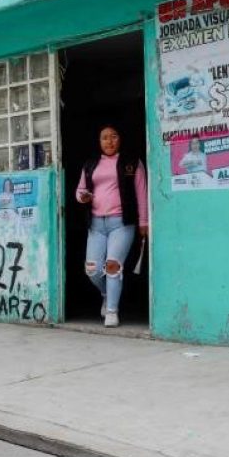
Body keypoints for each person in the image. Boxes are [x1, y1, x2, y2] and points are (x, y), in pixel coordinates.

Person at [76, 124, 148, 328]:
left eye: (114, 136)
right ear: (99, 141)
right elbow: (80, 190)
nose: (109, 141)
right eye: (104, 137)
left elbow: (141, 193)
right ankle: (107, 293)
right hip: (96, 224)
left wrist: (144, 222)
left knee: (113, 266)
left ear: (120, 139)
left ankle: (112, 311)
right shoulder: (90, 164)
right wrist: (83, 197)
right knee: (92, 270)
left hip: (121, 223)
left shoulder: (132, 163)